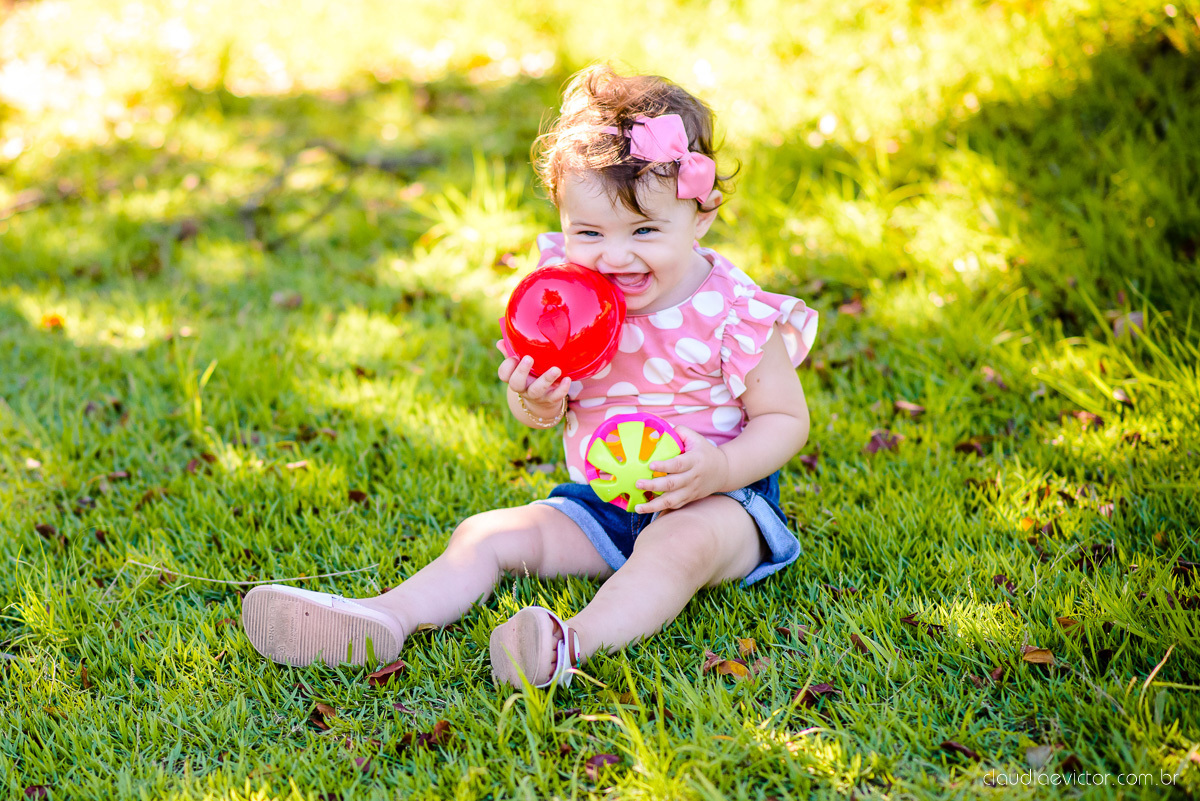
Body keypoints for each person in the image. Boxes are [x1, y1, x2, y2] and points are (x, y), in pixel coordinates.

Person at [241, 65, 818, 689]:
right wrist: (536, 402)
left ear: (700, 217)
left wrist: (721, 471)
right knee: (485, 533)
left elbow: (786, 420)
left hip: (719, 507)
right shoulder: (564, 303)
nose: (615, 256)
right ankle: (381, 618)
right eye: (589, 233)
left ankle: (569, 645)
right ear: (563, 221)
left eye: (645, 231)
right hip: (603, 505)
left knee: (672, 550)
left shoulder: (732, 312)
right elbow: (547, 411)